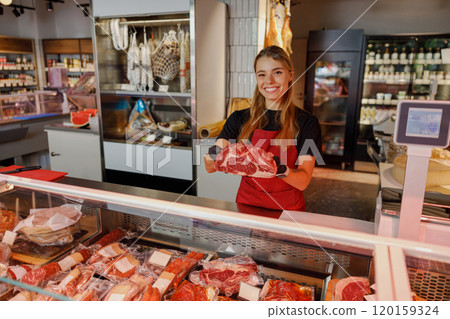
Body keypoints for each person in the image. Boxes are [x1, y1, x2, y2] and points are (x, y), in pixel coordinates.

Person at [204, 46, 321, 211]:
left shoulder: (307, 123)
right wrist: (218, 157)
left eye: (277, 72)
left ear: (290, 75)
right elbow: (209, 166)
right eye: (262, 74)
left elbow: (303, 182)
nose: (269, 81)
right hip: (247, 205)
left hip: (287, 211)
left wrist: (279, 169)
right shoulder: (238, 118)